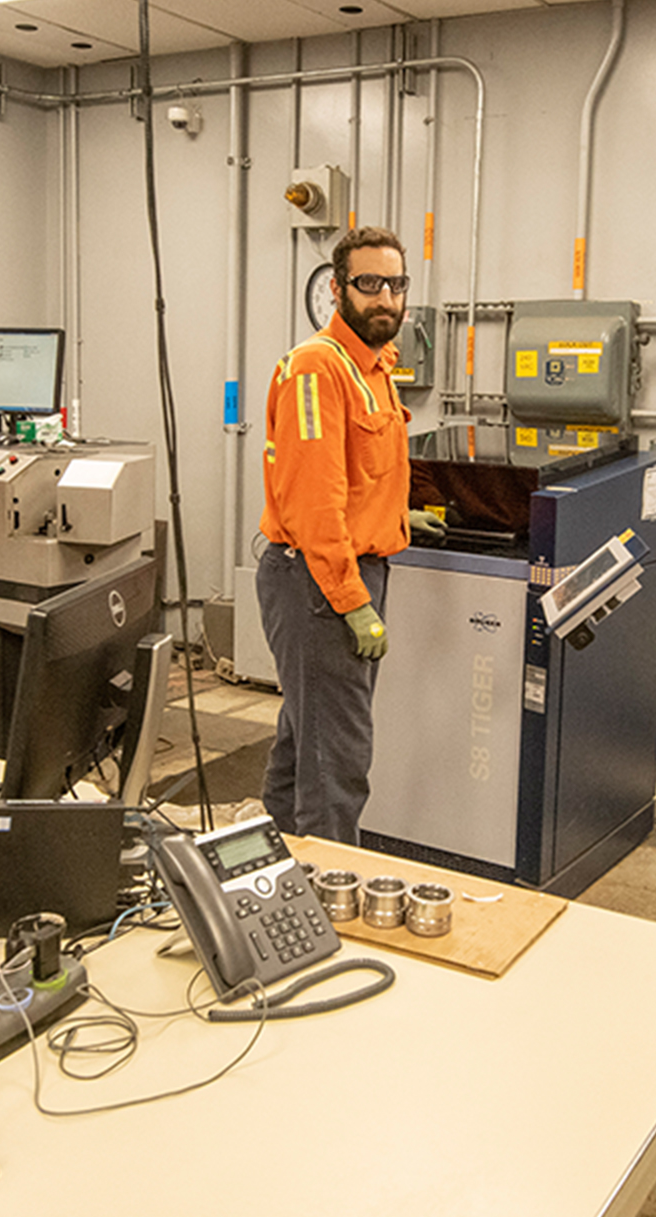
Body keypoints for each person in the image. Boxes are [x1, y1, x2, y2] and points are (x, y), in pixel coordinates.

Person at [256, 227, 442, 845]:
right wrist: (353, 601)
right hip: (318, 582)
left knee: (306, 738)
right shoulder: (318, 369)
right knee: (337, 761)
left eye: (395, 284)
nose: (384, 298)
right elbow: (313, 501)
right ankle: (326, 897)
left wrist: (393, 517)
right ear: (338, 290)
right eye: (368, 284)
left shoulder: (376, 366)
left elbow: (356, 472)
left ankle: (275, 872)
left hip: (349, 569)